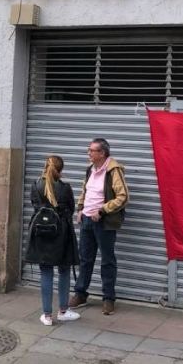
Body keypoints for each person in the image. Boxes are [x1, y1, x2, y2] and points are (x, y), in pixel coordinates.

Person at [70, 138, 129, 315]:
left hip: (103, 222)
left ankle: (108, 298)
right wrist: (80, 208)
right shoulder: (90, 169)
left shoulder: (113, 170)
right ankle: (80, 293)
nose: (89, 153)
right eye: (89, 150)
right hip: (87, 220)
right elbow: (85, 191)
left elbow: (123, 196)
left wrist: (102, 211)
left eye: (92, 150)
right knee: (85, 259)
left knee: (107, 260)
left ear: (102, 153)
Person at [26, 155, 80, 326]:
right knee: (64, 270)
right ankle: (63, 311)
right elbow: (70, 209)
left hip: (41, 233)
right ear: (61, 170)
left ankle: (47, 316)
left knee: (46, 272)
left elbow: (35, 205)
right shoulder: (65, 188)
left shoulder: (36, 185)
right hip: (62, 233)